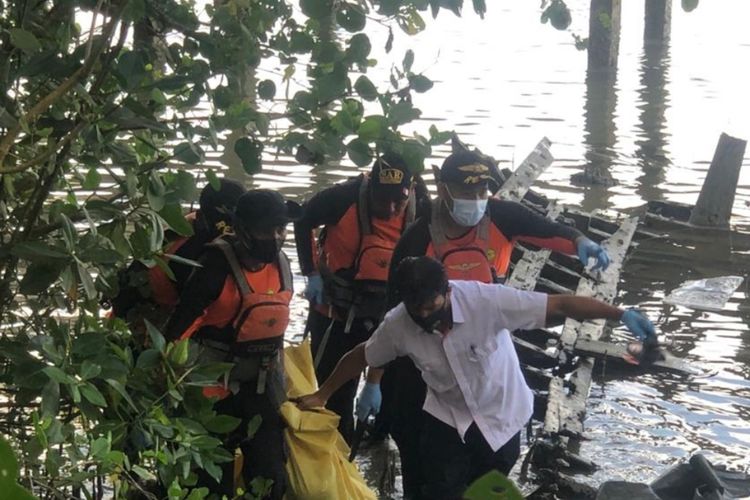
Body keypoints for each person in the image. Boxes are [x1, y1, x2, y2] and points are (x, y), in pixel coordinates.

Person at [295, 256, 656, 499]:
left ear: (447, 292)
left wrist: (619, 314)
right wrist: (323, 395)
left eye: (431, 306)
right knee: (438, 489)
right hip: (447, 418)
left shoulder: (488, 301)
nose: (424, 314)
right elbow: (361, 355)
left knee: (486, 489)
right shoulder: (399, 324)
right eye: (415, 308)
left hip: (503, 417)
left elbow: (559, 305)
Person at [372, 147, 611, 497]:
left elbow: (547, 231)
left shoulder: (500, 217)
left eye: (482, 191)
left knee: (490, 459)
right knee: (421, 457)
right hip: (425, 357)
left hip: (479, 341)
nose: (477, 199)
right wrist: (376, 383)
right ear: (444, 189)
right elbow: (393, 319)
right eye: (467, 193)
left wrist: (580, 241)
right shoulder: (418, 239)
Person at [164, 189, 302, 499]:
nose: (275, 237)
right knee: (211, 485)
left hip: (261, 386)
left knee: (270, 479)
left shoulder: (281, 265)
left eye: (280, 229)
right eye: (266, 230)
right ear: (242, 230)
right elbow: (176, 335)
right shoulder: (213, 269)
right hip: (210, 391)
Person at [293, 152, 430, 442]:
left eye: (399, 201)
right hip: (337, 312)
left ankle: (375, 440)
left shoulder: (422, 208)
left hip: (391, 314)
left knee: (390, 398)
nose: (391, 208)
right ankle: (335, 455)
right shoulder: (342, 198)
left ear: (410, 190)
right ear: (370, 188)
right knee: (332, 395)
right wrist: (311, 272)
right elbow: (302, 219)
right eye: (383, 200)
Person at [109, 179, 245, 332]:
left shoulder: (194, 223)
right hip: (143, 317)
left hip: (134, 304)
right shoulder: (193, 248)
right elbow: (188, 310)